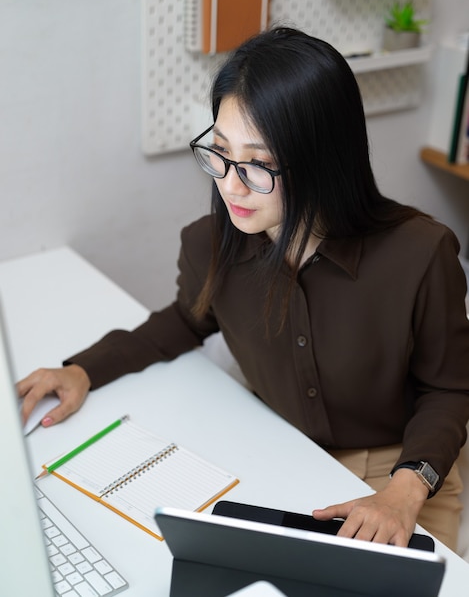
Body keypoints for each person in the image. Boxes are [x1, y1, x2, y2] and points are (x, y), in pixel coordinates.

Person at [18, 27, 469, 552]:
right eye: (221, 152)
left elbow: (450, 387)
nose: (230, 184)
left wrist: (407, 487)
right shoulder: (210, 244)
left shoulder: (420, 253)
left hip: (397, 471)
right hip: (279, 452)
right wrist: (82, 369)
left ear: (323, 160)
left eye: (258, 164)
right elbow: (186, 320)